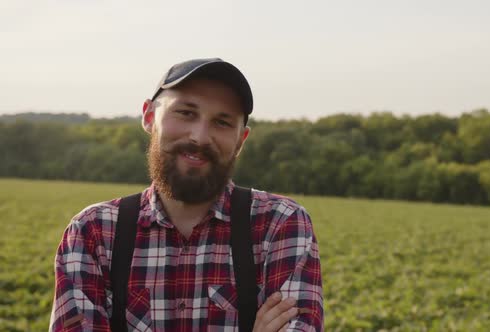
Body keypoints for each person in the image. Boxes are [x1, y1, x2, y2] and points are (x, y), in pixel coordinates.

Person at [49, 58, 323, 331]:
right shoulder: (94, 232)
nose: (200, 137)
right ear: (148, 116)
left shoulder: (280, 225)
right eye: (186, 113)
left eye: (222, 122)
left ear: (241, 140)